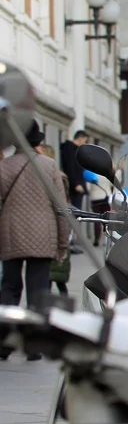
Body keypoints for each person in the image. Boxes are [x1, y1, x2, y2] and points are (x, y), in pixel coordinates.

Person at [0, 121, 69, 360]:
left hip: (10, 233)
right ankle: (34, 345)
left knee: (9, 287)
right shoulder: (49, 166)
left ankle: (3, 342)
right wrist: (62, 243)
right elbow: (61, 208)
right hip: (43, 234)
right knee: (39, 288)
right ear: (38, 141)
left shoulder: (4, 167)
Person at [36, 145, 71, 295]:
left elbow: (62, 203)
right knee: (50, 272)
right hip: (48, 224)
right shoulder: (48, 175)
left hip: (55, 224)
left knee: (56, 270)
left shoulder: (57, 176)